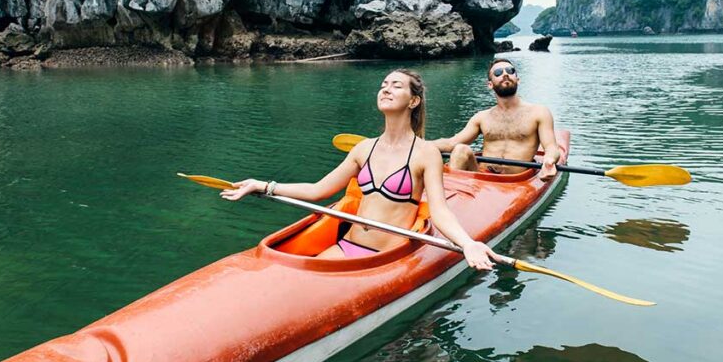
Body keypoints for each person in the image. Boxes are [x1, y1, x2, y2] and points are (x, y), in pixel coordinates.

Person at [220, 69, 499, 270]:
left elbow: (439, 211)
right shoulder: (363, 149)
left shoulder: (426, 153)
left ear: (413, 101)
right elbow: (318, 190)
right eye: (383, 84)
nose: (386, 89)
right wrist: (264, 185)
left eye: (396, 85)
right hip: (347, 247)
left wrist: (467, 243)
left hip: (387, 256)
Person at [432, 58, 563, 180]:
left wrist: (549, 160)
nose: (505, 74)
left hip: (516, 179)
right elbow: (451, 143)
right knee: (461, 149)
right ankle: (452, 196)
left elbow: (551, 147)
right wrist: (417, 144)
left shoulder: (539, 112)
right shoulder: (482, 117)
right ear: (490, 84)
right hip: (483, 175)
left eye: (510, 71)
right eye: (498, 72)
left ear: (518, 79)